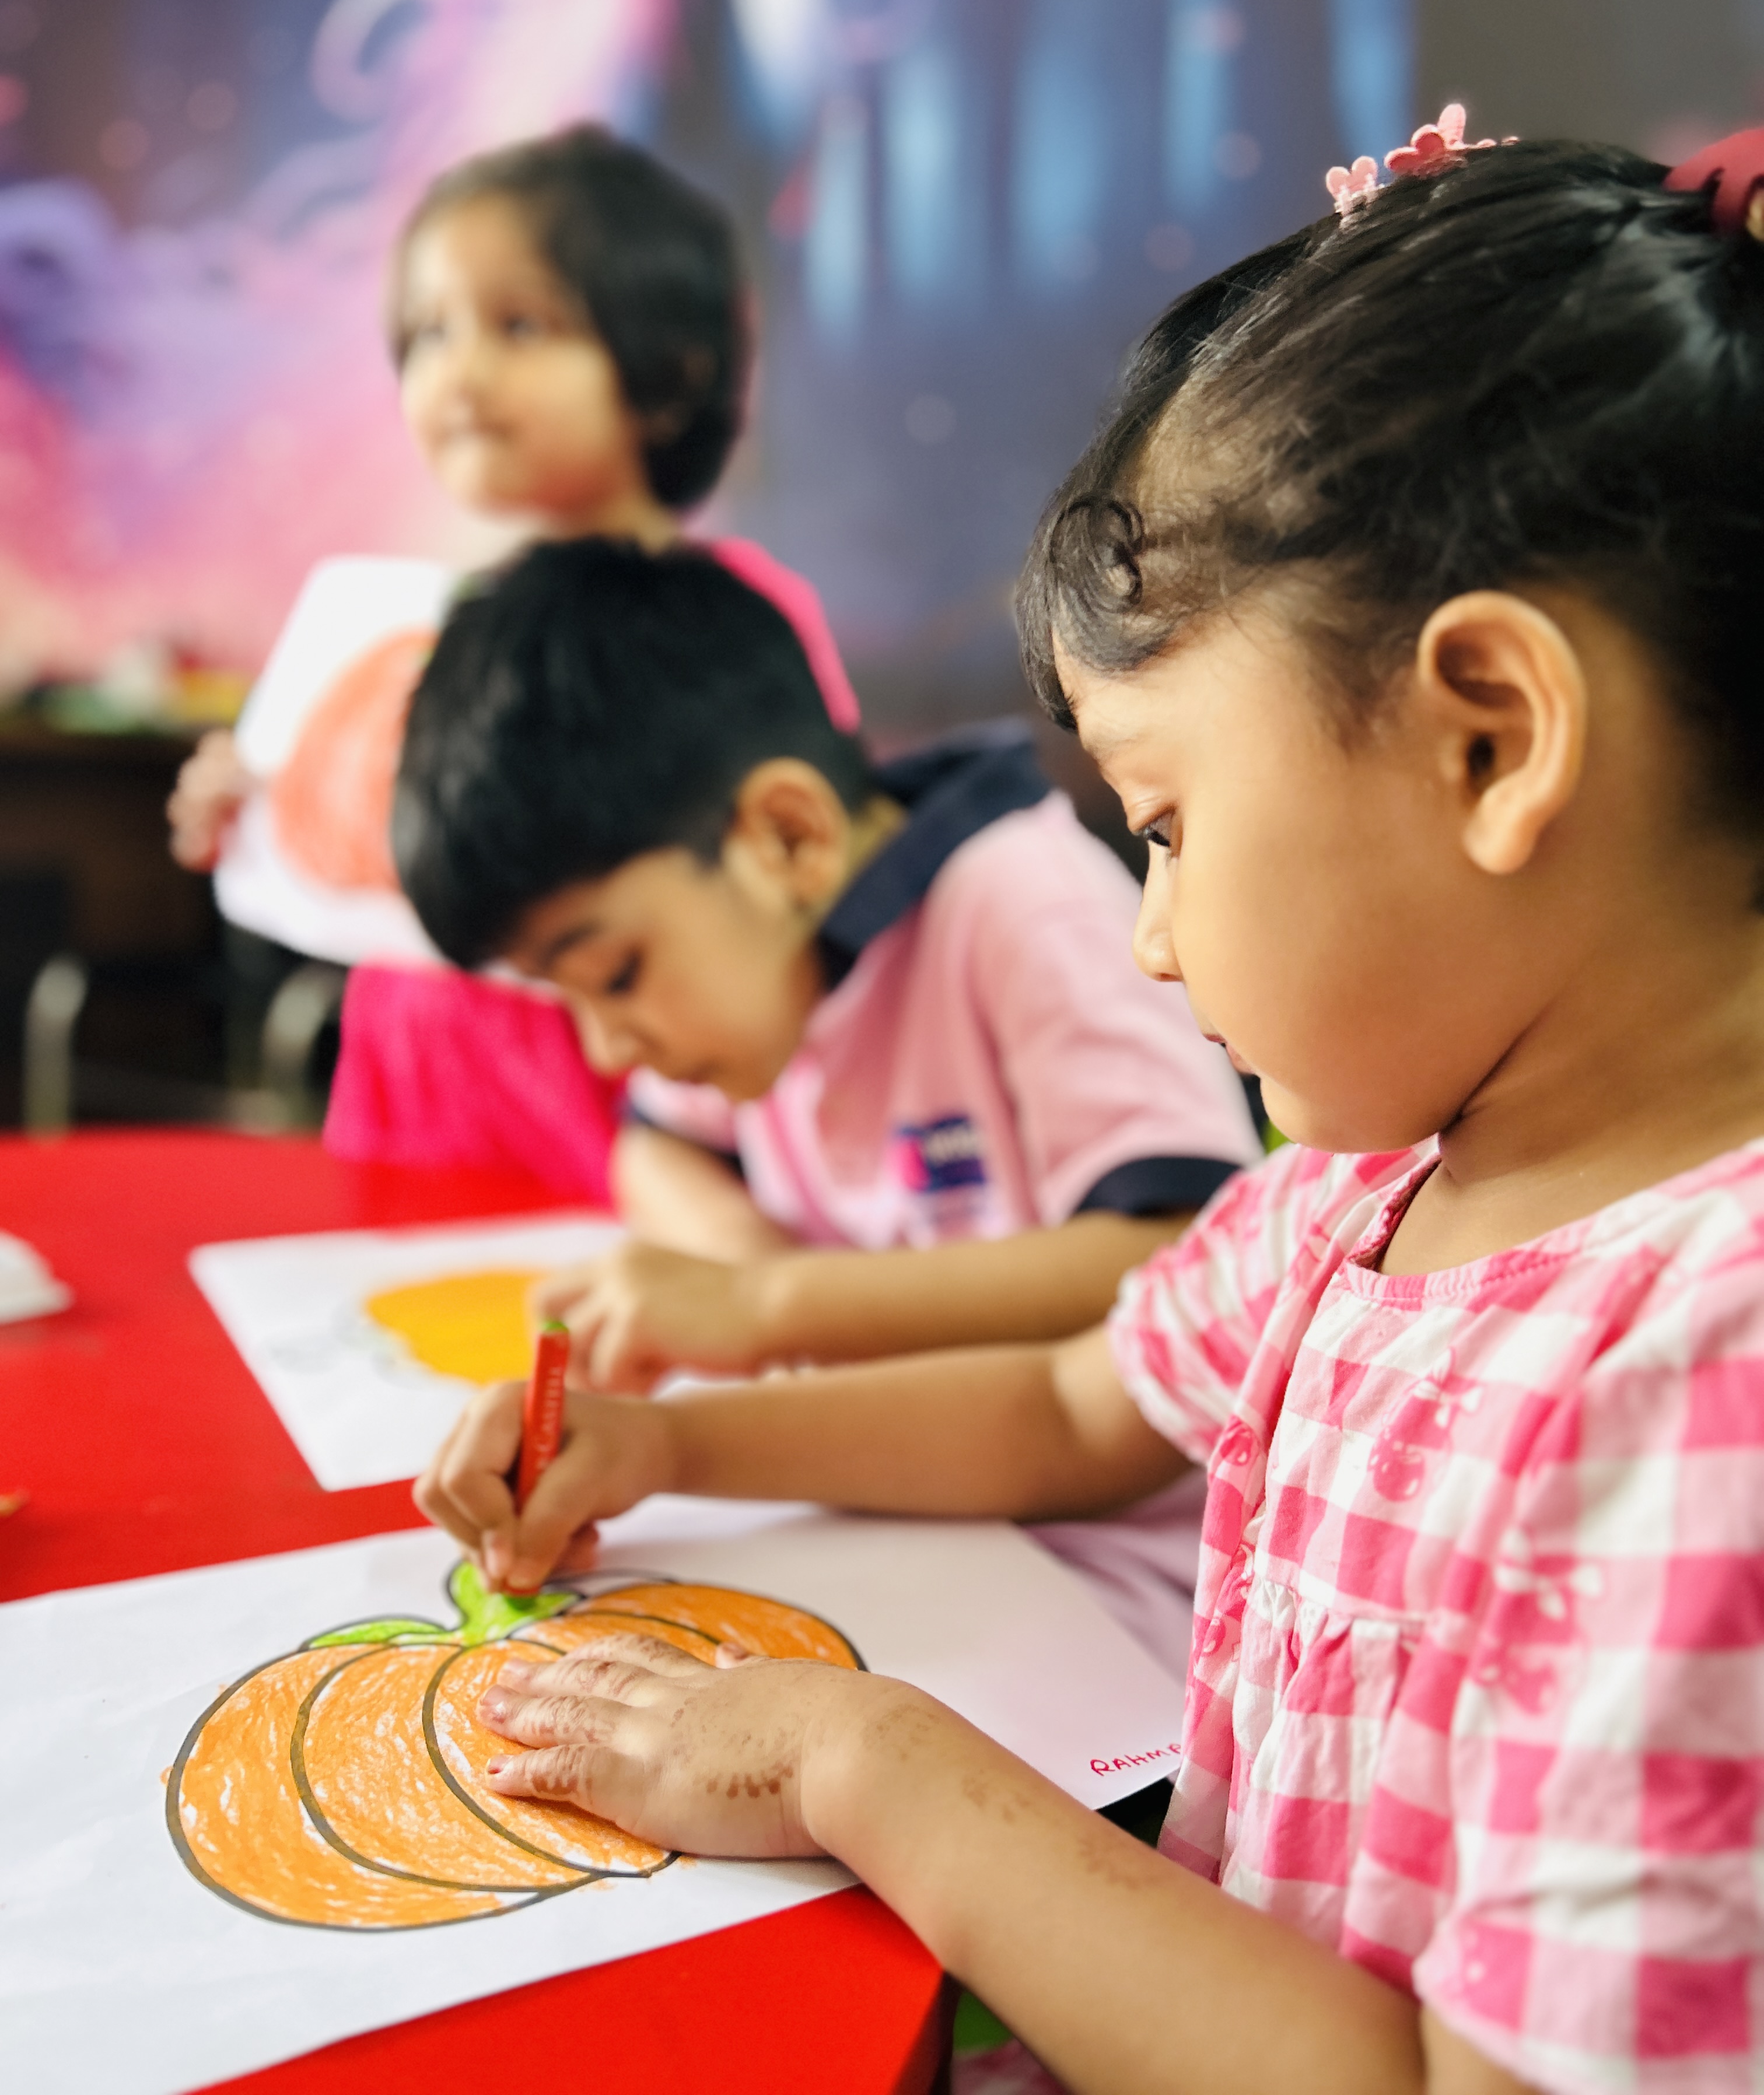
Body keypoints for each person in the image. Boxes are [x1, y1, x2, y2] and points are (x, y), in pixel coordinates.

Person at [415, 118, 1764, 2094]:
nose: (1148, 940)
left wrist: (855, 1753)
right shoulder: (1363, 1195)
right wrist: (663, 1439)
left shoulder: (1704, 1376)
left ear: (1489, 736)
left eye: (1165, 826)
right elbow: (1073, 1410)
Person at [393, 534, 1260, 1667]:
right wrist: (738, 1259)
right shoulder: (764, 960)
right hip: (890, 1508)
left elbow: (1168, 1255)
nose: (609, 1046)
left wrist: (769, 1305)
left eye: (613, 976)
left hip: (1116, 1593)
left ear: (786, 836)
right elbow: (654, 1154)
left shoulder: (1022, 907)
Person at [165, 126, 856, 1198]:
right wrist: (264, 805)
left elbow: (810, 867)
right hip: (418, 1094)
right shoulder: (416, 631)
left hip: (646, 1108)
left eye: (520, 324)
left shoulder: (737, 621)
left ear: (668, 375)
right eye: (427, 334)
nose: (460, 373)